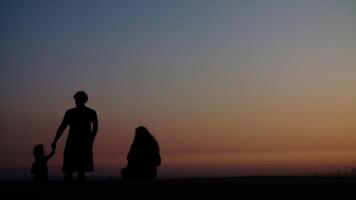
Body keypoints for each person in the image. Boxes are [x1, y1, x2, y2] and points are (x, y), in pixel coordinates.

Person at [51, 91, 98, 181]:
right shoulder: (74, 112)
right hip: (75, 144)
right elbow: (62, 127)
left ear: (83, 100)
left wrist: (90, 141)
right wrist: (55, 140)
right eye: (76, 99)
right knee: (74, 171)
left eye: (77, 99)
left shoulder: (87, 112)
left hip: (78, 144)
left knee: (78, 171)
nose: (76, 101)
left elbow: (95, 128)